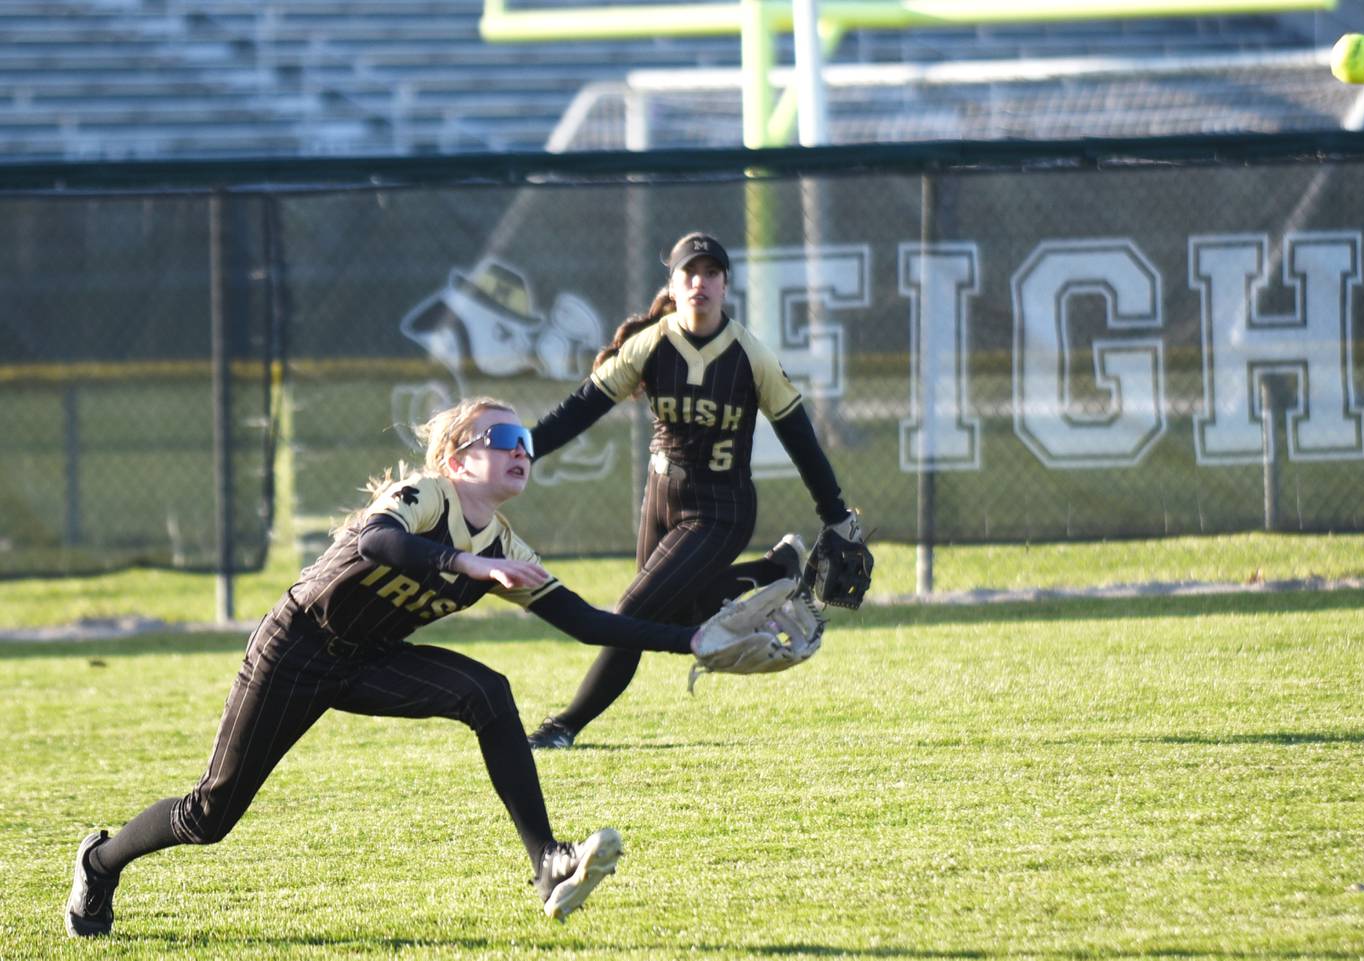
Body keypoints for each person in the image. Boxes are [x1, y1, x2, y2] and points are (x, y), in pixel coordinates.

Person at [64, 396, 772, 938]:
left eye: (526, 442)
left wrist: (698, 641)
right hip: (296, 645)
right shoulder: (426, 495)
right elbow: (377, 543)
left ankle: (549, 861)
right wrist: (464, 562)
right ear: (458, 457)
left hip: (369, 660)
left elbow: (590, 623)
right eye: (503, 439)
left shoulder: (503, 539)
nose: (521, 451)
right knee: (209, 814)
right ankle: (99, 862)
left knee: (487, 691)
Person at [526, 231, 862, 751]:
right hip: (660, 501)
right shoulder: (653, 343)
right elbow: (579, 410)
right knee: (665, 615)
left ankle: (565, 726)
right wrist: (521, 448)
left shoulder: (750, 355)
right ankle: (773, 571)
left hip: (719, 508)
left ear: (726, 285)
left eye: (710, 272)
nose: (699, 281)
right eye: (689, 272)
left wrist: (834, 512)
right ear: (673, 283)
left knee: (629, 615)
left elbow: (800, 437)